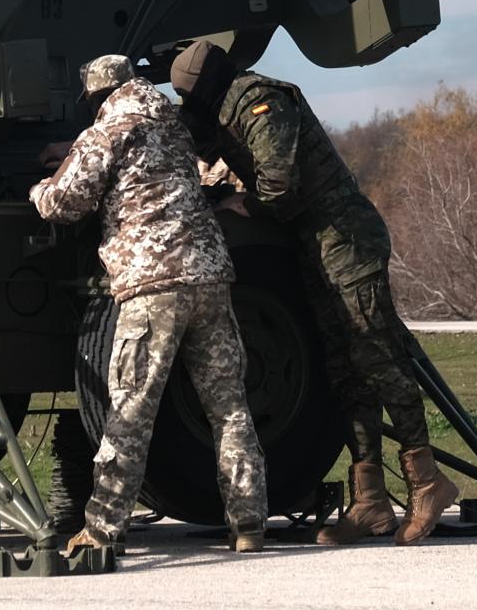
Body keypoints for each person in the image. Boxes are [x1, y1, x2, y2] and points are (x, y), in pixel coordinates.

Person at [170, 39, 457, 546]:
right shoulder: (226, 110)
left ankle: (428, 481)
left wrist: (247, 206)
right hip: (316, 245)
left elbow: (278, 184)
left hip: (345, 238)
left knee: (378, 357)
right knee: (345, 369)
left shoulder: (261, 103)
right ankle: (370, 499)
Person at [30, 54, 267, 556]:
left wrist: (39, 188)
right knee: (228, 409)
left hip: (151, 282)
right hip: (209, 272)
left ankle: (101, 529)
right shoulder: (173, 127)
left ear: (97, 96)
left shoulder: (107, 130)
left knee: (131, 411)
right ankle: (248, 523)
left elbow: (64, 204)